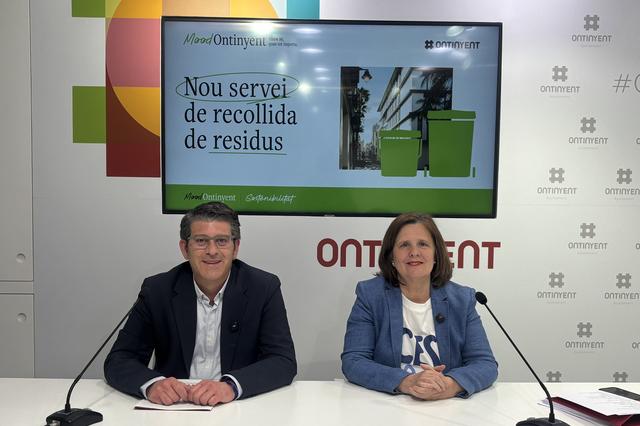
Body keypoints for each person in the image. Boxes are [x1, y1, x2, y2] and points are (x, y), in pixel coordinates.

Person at [104, 202, 296, 406]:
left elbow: (282, 361)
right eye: (201, 241)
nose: (212, 251)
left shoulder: (263, 288)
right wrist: (152, 385)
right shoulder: (158, 290)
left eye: (221, 241)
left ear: (235, 248)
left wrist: (230, 386)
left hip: (237, 406)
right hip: (175, 407)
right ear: (185, 249)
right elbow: (119, 360)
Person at [341, 213, 497, 400]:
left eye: (423, 244)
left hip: (447, 405)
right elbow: (354, 361)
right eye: (404, 245)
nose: (414, 252)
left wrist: (450, 385)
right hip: (388, 403)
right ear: (391, 256)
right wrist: (406, 381)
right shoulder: (370, 296)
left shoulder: (462, 300)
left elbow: (485, 364)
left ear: (436, 254)